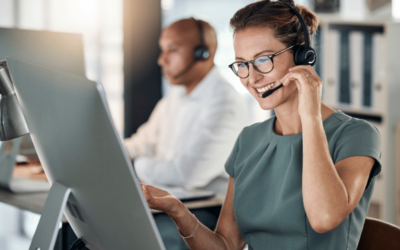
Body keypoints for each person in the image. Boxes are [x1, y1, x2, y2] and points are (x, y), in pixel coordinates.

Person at [140, 1, 382, 250]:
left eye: (263, 60)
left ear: (302, 55)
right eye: (242, 64)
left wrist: (309, 114)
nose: (252, 78)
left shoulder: (356, 135)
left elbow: (324, 218)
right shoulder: (249, 140)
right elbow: (226, 245)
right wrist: (176, 209)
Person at [124, 18, 249, 249]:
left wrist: (135, 165)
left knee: (152, 239)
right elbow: (142, 143)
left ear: (203, 53)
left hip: (205, 213)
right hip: (166, 201)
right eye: (163, 50)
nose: (162, 60)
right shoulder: (176, 96)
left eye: (172, 50)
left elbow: (188, 175)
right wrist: (99, 155)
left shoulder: (225, 104)